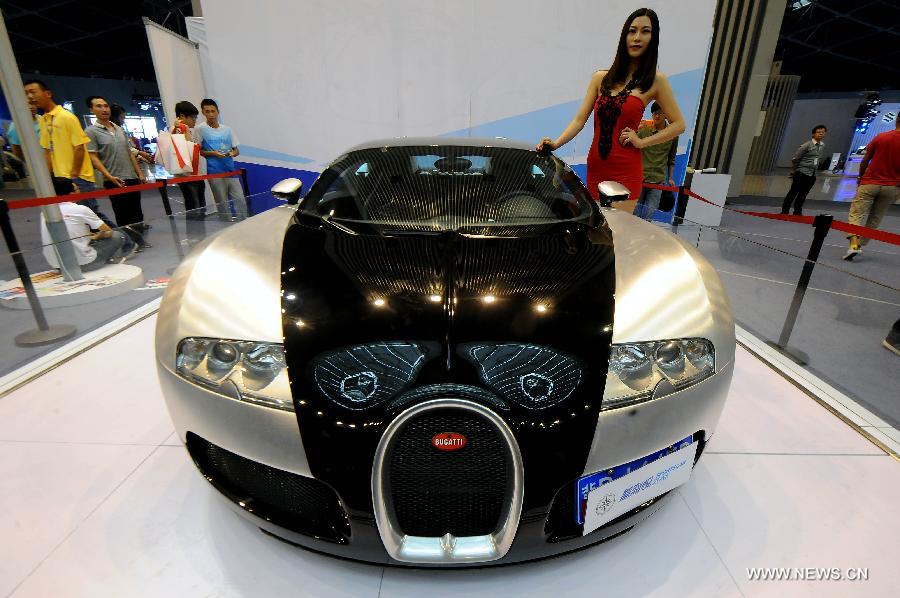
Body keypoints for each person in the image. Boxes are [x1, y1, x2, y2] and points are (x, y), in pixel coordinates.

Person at [537, 8, 685, 216]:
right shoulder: (600, 78)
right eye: (632, 31)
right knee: (598, 231)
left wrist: (642, 142)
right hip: (597, 166)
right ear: (624, 36)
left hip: (627, 169)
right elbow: (579, 120)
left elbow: (679, 124)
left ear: (653, 38)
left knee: (620, 235)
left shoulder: (656, 81)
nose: (637, 37)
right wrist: (556, 143)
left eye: (645, 31)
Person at [85, 96, 151, 251]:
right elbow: (93, 157)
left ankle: (139, 240)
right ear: (91, 110)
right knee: (122, 213)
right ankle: (129, 243)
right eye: (99, 106)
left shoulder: (119, 129)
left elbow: (129, 153)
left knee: (137, 212)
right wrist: (108, 176)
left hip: (131, 176)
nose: (104, 109)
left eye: (105, 106)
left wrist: (139, 173)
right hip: (114, 179)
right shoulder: (91, 132)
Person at [843, 113, 900, 261]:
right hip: (891, 187)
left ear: (897, 119)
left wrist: (860, 177)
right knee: (875, 218)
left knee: (856, 213)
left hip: (870, 183)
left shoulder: (881, 137)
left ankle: (854, 244)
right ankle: (860, 245)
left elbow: (865, 160)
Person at [40, 177, 128, 272]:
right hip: (84, 264)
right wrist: (98, 236)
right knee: (117, 235)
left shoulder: (45, 212)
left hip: (58, 266)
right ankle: (111, 260)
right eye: (77, 189)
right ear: (71, 194)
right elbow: (109, 232)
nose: (80, 191)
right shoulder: (80, 209)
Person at [197, 98, 247, 221]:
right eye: (207, 111)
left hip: (231, 171)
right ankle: (226, 230)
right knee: (223, 205)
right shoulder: (200, 129)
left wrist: (230, 153)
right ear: (203, 112)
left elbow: (236, 151)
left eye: (213, 111)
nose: (211, 114)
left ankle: (243, 225)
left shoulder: (227, 129)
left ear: (218, 111)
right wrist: (213, 153)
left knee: (240, 200)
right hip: (215, 173)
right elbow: (198, 151)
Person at [634, 101, 677, 220]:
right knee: (635, 215)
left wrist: (671, 177)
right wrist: (636, 130)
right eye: (654, 113)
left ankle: (643, 238)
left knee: (648, 216)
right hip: (640, 179)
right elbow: (629, 147)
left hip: (658, 181)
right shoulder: (644, 131)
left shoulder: (672, 134)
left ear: (665, 114)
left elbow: (671, 158)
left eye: (659, 113)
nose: (657, 116)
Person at [170, 100, 208, 219]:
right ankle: (195, 236)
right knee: (194, 208)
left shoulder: (189, 129)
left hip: (195, 174)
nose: (195, 121)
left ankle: (200, 235)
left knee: (200, 207)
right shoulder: (176, 129)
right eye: (193, 117)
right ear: (182, 116)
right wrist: (182, 128)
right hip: (186, 176)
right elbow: (186, 150)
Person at [781, 125, 827, 216]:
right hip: (801, 172)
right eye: (818, 132)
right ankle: (785, 211)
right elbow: (795, 159)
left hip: (812, 174)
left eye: (823, 132)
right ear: (813, 134)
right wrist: (795, 171)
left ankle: (797, 211)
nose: (821, 134)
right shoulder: (806, 145)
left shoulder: (822, 145)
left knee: (803, 194)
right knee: (793, 192)